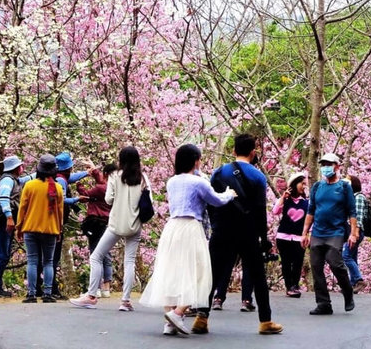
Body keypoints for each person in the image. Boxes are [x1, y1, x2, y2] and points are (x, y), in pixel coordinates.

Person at [138, 144, 238, 336]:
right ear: (195, 160)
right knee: (198, 271)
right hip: (191, 227)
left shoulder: (172, 181)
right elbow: (216, 200)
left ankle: (169, 321)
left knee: (170, 272)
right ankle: (177, 313)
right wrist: (229, 194)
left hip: (172, 227)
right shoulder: (198, 182)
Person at [202, 134, 283, 335]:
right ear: (253, 152)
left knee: (212, 274)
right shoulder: (258, 177)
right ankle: (265, 321)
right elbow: (259, 211)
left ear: (234, 150)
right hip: (247, 233)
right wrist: (263, 239)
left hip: (222, 231)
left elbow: (211, 202)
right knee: (258, 277)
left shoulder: (219, 172)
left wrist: (216, 225)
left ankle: (201, 318)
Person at [69, 147, 145, 311]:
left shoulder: (115, 176)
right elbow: (148, 200)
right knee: (129, 261)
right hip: (135, 224)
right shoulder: (143, 178)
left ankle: (91, 296)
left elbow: (109, 200)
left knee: (96, 256)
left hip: (116, 224)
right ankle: (125, 301)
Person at [301, 152, 358, 315]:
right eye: (323, 164)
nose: (326, 167)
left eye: (329, 164)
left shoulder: (344, 187)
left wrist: (353, 233)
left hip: (336, 231)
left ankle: (348, 292)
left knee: (335, 263)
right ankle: (323, 303)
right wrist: (304, 233)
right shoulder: (317, 187)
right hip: (318, 232)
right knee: (316, 266)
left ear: (337, 166)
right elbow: (311, 211)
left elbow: (352, 212)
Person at [37, 151, 91, 299]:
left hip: (52, 221)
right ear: (67, 168)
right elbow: (61, 199)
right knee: (52, 258)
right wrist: (76, 200)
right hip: (55, 222)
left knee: (47, 257)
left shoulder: (60, 177)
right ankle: (51, 288)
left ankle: (43, 286)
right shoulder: (60, 181)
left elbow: (71, 179)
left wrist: (87, 173)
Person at [15, 154, 64, 303]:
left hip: (30, 228)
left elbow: (22, 208)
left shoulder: (29, 186)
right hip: (50, 229)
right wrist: (59, 229)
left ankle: (31, 294)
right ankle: (47, 294)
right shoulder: (57, 188)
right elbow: (59, 212)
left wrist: (19, 227)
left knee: (32, 261)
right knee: (48, 262)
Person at [0, 155, 35, 297]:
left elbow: (30, 178)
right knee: (1, 254)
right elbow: (3, 197)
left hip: (4, 221)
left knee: (4, 254)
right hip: (2, 221)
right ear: (16, 168)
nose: (23, 168)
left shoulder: (14, 180)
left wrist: (46, 169)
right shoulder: (7, 180)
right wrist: (9, 217)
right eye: (21, 165)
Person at [74, 163, 117, 299]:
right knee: (106, 254)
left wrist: (78, 184)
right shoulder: (113, 187)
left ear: (106, 175)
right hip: (107, 222)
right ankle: (107, 288)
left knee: (95, 254)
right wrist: (93, 170)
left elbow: (85, 194)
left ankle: (96, 288)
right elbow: (101, 181)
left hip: (95, 222)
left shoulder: (100, 189)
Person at [273, 171, 308, 298]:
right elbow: (275, 211)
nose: (303, 186)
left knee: (298, 262)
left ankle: (295, 285)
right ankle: (290, 287)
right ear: (294, 184)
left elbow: (310, 220)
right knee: (286, 262)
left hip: (299, 237)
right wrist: (283, 198)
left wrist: (307, 234)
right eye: (301, 183)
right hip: (283, 237)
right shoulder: (285, 200)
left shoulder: (306, 203)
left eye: (305, 184)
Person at [343, 174, 368, 294]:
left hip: (356, 231)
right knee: (352, 257)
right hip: (352, 231)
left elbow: (358, 216)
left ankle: (359, 280)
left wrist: (355, 232)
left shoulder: (358, 197)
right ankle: (353, 284)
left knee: (346, 256)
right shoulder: (352, 197)